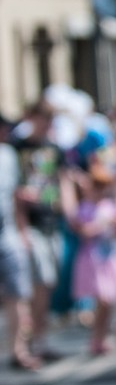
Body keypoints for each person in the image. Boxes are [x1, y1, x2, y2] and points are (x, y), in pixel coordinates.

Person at [12, 99, 72, 363]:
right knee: (37, 282)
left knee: (47, 284)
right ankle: (28, 342)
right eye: (43, 117)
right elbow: (12, 191)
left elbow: (63, 182)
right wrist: (21, 227)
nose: (47, 123)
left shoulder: (53, 148)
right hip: (29, 224)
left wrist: (71, 213)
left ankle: (38, 338)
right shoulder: (17, 149)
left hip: (51, 221)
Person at [70, 161, 116, 356]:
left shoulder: (108, 206)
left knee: (110, 301)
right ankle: (96, 337)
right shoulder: (86, 208)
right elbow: (82, 230)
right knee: (102, 300)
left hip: (108, 259)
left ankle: (103, 336)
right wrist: (100, 224)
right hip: (93, 259)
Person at [0, 114, 41, 370]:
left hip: (8, 233)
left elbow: (15, 196)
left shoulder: (8, 156)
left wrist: (22, 231)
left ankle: (18, 350)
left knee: (17, 293)